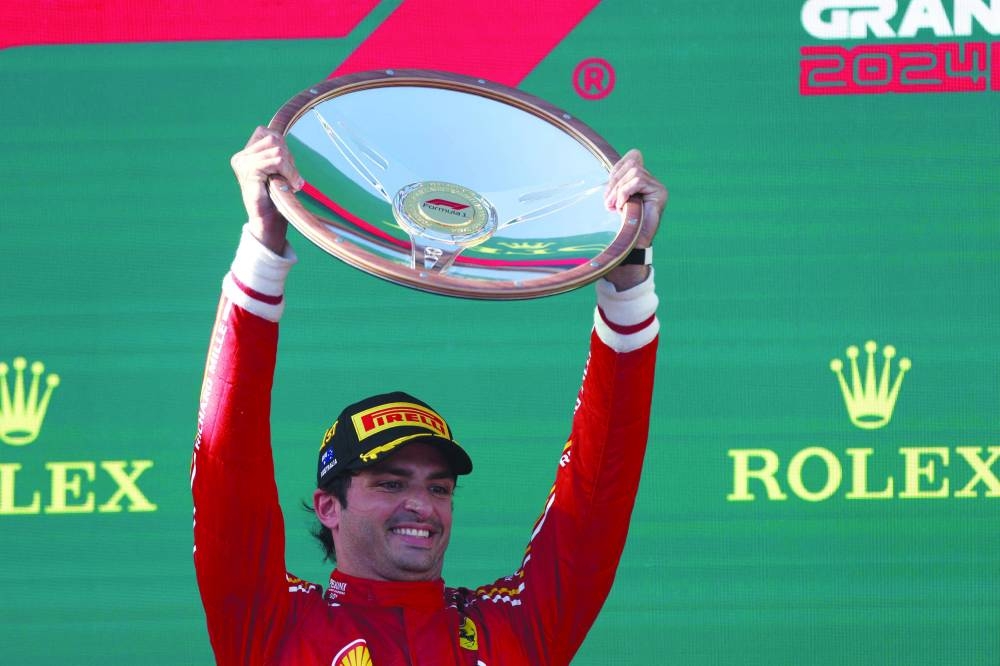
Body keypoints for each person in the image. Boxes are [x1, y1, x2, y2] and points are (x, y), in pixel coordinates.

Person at [192, 126, 667, 665]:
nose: (421, 504)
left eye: (440, 488)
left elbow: (599, 487)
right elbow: (227, 465)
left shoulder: (515, 626)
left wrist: (629, 274)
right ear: (329, 507)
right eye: (390, 482)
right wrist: (264, 245)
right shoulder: (275, 624)